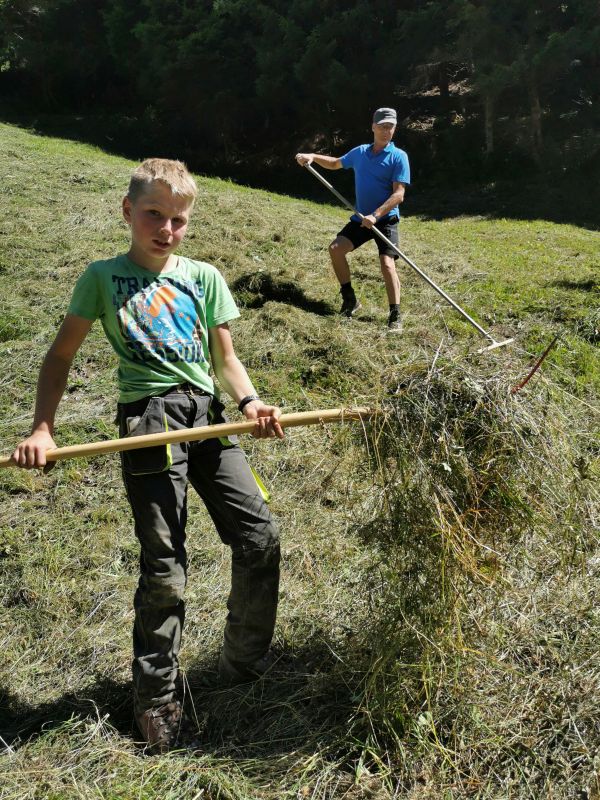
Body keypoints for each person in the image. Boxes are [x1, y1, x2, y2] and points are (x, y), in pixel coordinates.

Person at [11, 158, 284, 754]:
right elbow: (59, 357)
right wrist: (42, 429)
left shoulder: (205, 277)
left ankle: (244, 662)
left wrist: (251, 402)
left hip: (208, 417)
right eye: (154, 215)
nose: (166, 229)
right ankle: (156, 698)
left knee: (260, 537)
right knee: (165, 566)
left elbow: (225, 359)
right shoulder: (103, 277)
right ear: (127, 211)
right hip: (149, 424)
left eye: (178, 220)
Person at [296, 107, 410, 332]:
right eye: (383, 126)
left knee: (387, 264)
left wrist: (376, 215)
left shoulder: (399, 156)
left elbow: (399, 194)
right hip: (361, 218)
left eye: (391, 127)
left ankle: (395, 315)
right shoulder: (360, 153)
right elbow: (335, 163)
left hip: (385, 219)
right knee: (336, 249)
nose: (386, 131)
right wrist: (313, 157)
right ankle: (350, 299)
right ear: (373, 127)